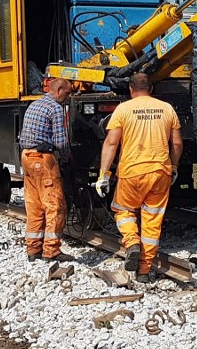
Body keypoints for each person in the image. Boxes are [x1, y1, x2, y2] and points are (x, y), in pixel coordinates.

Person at [95, 72, 182, 282]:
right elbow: (177, 143)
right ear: (151, 89)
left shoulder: (123, 109)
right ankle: (144, 270)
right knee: (153, 220)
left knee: (123, 209)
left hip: (132, 171)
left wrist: (103, 174)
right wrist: (173, 166)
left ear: (131, 90)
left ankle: (132, 241)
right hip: (160, 171)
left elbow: (111, 143)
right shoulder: (167, 108)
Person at [18, 75, 74, 263]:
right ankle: (51, 251)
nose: (68, 97)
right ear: (58, 91)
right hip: (42, 159)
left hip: (27, 156)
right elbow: (60, 142)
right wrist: (67, 159)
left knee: (34, 205)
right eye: (67, 93)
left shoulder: (34, 104)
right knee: (55, 205)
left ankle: (33, 249)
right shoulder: (55, 108)